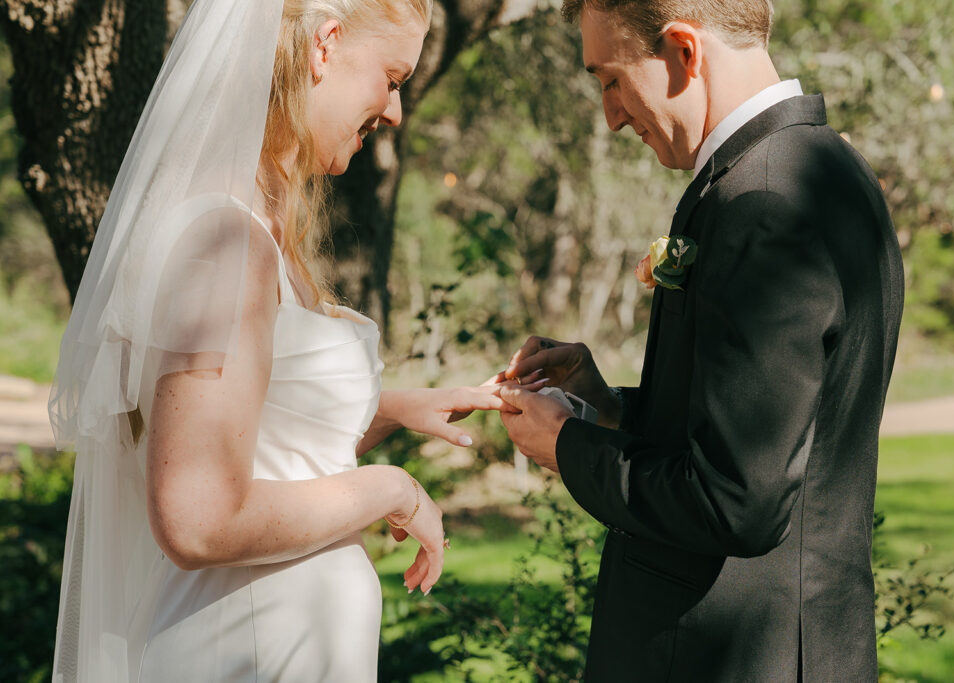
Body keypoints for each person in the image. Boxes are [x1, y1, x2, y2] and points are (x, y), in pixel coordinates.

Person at [47, 0, 520, 680]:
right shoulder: (223, 242)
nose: (394, 110)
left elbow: (257, 444)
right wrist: (391, 490)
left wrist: (389, 408)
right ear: (326, 45)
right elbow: (198, 516)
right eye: (393, 77)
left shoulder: (255, 229)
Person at [499, 0, 904, 680]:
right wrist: (609, 405)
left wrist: (567, 445)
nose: (612, 115)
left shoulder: (764, 203)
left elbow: (736, 501)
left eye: (610, 79)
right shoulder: (829, 170)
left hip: (731, 657)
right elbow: (766, 435)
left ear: (685, 53)